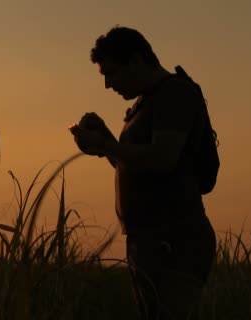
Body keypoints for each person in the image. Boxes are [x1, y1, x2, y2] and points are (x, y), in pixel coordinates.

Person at [69, 26, 217, 319]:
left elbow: (163, 158)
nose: (109, 85)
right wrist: (106, 142)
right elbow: (140, 166)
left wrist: (105, 144)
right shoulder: (144, 103)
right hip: (148, 243)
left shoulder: (174, 93)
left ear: (136, 60)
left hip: (176, 241)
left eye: (112, 73)